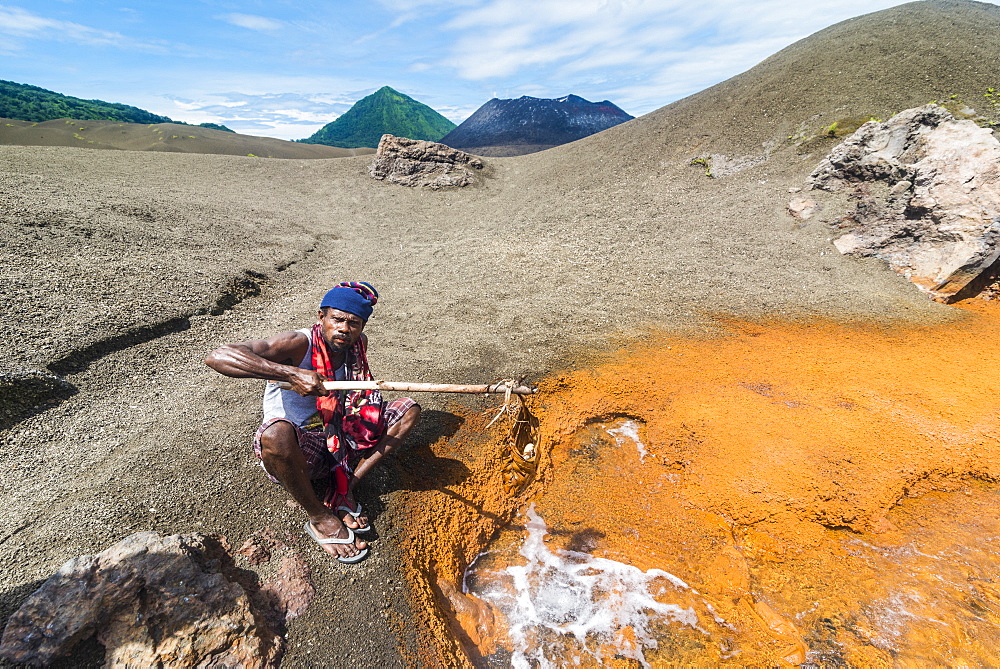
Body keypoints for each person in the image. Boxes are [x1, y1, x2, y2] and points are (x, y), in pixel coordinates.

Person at [205, 282, 420, 563]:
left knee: (408, 411)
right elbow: (218, 356)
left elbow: (359, 397)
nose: (344, 328)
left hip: (342, 436)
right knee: (275, 434)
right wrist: (290, 373)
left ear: (362, 327)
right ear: (322, 317)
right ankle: (320, 516)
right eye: (337, 319)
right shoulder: (298, 344)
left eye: (354, 323)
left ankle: (345, 488)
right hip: (302, 449)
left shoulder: (357, 346)